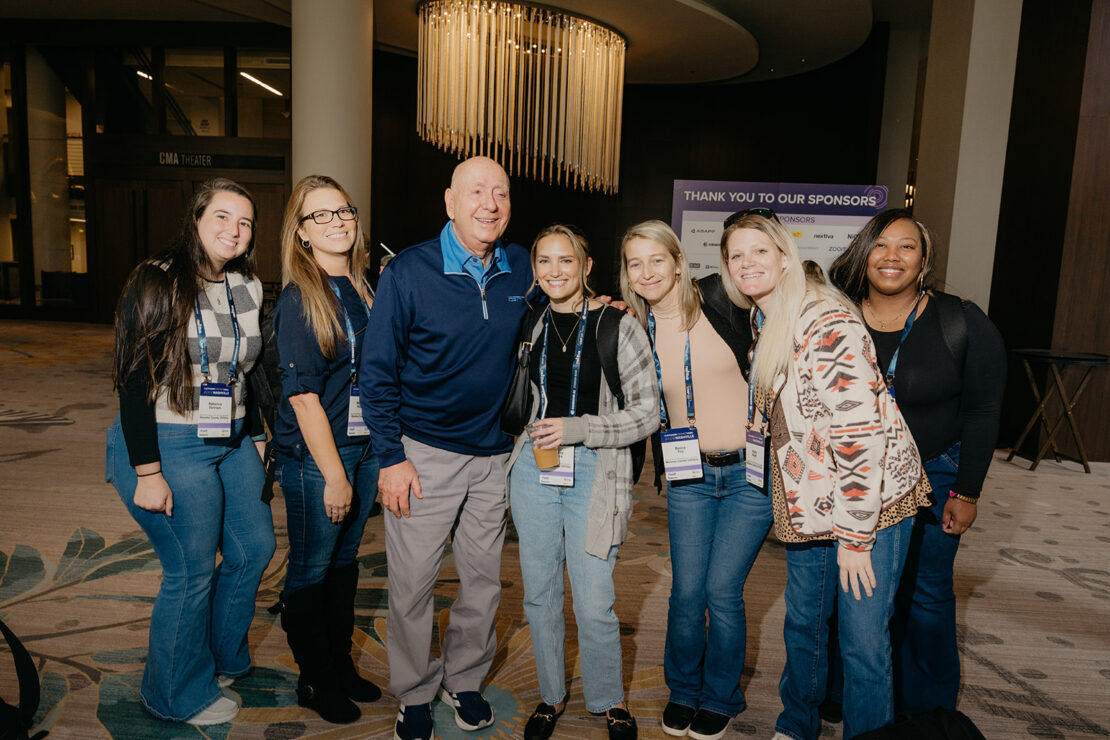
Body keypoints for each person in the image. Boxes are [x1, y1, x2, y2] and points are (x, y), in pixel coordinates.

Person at [721, 209, 929, 740]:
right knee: (805, 624)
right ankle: (797, 724)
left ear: (785, 256)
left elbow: (861, 438)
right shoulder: (766, 315)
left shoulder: (826, 322)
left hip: (870, 506)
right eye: (736, 255)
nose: (748, 263)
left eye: (760, 250)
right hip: (809, 501)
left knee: (862, 643)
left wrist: (856, 538)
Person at [359, 156, 534, 740]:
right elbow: (377, 372)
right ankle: (413, 692)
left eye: (501, 193)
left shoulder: (520, 267)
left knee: (483, 583)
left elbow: (557, 313)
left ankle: (463, 681)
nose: (490, 203)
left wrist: (599, 306)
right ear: (449, 201)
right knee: (412, 584)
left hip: (493, 457)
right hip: (421, 455)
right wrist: (390, 458)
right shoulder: (408, 272)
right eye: (477, 191)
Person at [105, 178, 276, 725]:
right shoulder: (157, 280)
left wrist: (256, 431)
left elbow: (242, 370)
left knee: (255, 547)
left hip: (230, 438)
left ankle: (220, 656)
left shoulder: (247, 284)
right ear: (197, 219)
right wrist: (148, 473)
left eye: (246, 222)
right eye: (223, 217)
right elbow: (132, 379)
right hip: (167, 440)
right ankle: (173, 694)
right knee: (190, 570)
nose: (235, 230)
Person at [828, 209, 1006, 715]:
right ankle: (848, 693)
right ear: (863, 254)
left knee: (925, 595)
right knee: (853, 592)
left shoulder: (961, 319)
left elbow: (983, 411)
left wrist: (967, 492)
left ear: (924, 260)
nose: (891, 257)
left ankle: (927, 707)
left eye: (906, 247)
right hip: (853, 478)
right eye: (880, 245)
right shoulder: (834, 315)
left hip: (936, 473)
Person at [619, 219, 770, 740]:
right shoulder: (632, 328)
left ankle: (720, 696)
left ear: (678, 262)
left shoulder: (720, 301)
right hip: (689, 476)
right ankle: (683, 690)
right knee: (686, 592)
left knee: (722, 591)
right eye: (635, 263)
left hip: (750, 474)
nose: (647, 272)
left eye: (657, 259)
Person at [510, 225, 657, 740]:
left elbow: (647, 414)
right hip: (535, 466)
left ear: (587, 266)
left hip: (597, 469)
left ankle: (607, 697)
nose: (555, 271)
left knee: (594, 598)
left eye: (566, 261)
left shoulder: (618, 324)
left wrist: (581, 428)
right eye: (544, 262)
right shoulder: (528, 320)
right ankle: (550, 694)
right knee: (540, 592)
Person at [271, 175, 381, 723]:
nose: (337, 221)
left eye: (344, 211)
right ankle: (314, 679)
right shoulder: (299, 298)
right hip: (321, 458)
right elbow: (305, 400)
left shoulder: (364, 287)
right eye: (321, 215)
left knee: (344, 565)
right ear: (301, 233)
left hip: (362, 451)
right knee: (311, 571)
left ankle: (339, 665)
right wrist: (334, 475)